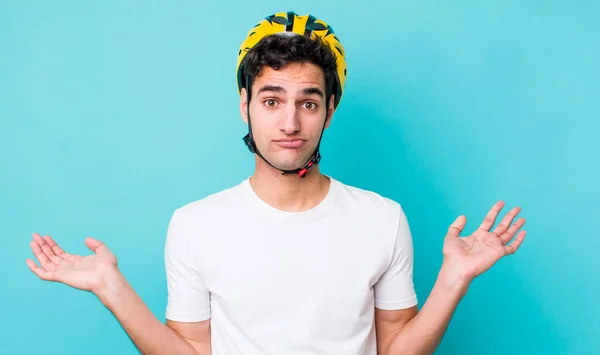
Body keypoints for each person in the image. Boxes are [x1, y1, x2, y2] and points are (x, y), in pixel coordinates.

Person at [26, 11, 526, 355]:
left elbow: (395, 347)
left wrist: (452, 280)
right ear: (244, 106)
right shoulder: (195, 225)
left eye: (308, 102)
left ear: (329, 111)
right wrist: (109, 286)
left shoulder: (382, 218)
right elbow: (192, 351)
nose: (290, 123)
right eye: (271, 101)